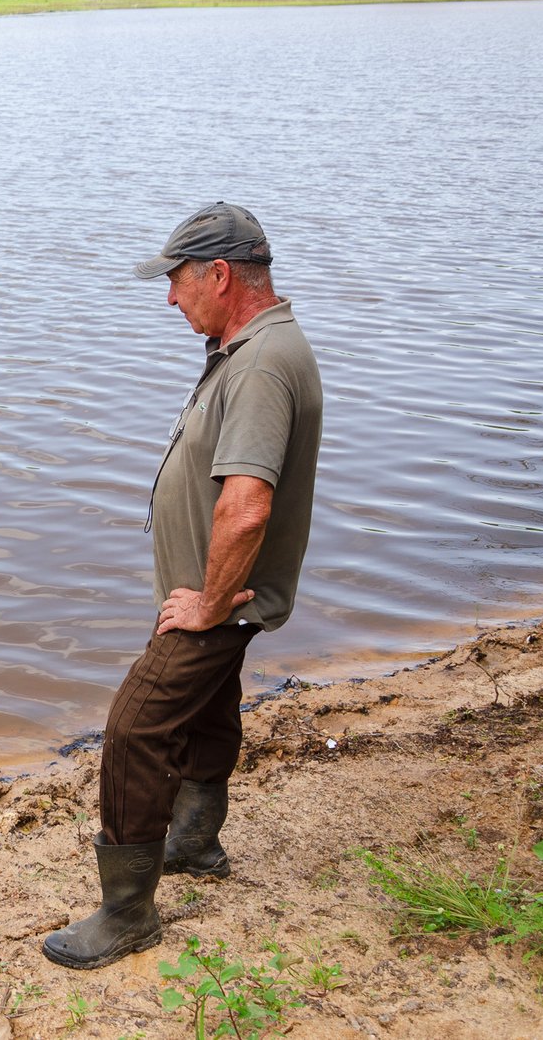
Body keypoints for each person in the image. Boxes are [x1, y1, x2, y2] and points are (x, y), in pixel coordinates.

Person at [43, 202, 324, 970]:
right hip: (216, 595)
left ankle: (126, 912)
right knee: (207, 707)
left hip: (220, 598)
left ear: (220, 274)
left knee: (136, 727)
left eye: (178, 280)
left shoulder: (262, 364)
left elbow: (247, 506)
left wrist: (206, 603)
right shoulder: (252, 348)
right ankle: (195, 841)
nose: (170, 297)